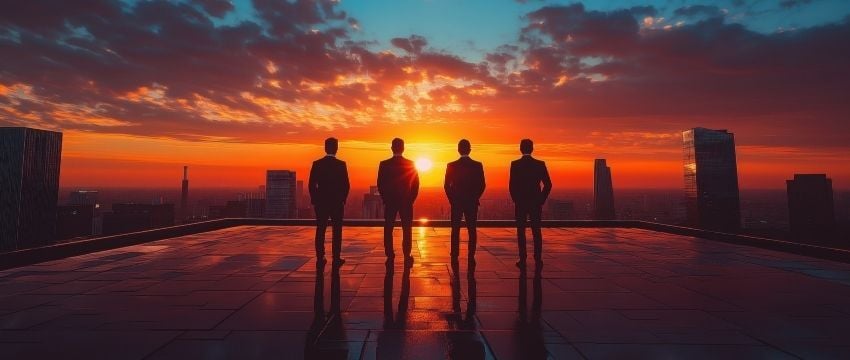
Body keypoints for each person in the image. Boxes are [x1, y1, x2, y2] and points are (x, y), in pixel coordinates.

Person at [509, 139, 551, 268]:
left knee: (521, 231)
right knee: (536, 231)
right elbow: (548, 184)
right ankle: (538, 259)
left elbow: (512, 186)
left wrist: (516, 200)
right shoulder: (540, 164)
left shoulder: (515, 164)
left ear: (521, 149)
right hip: (535, 203)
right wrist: (541, 200)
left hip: (521, 203)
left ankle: (523, 259)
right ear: (532, 149)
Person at [377, 138, 420, 266]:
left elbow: (380, 184)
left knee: (388, 227)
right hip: (406, 202)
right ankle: (407, 254)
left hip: (390, 202)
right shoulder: (410, 163)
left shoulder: (384, 164)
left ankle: (389, 254)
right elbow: (416, 185)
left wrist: (385, 199)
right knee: (407, 228)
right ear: (403, 148)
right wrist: (410, 200)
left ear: (392, 148)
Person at [308, 137, 350, 265]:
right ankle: (336, 258)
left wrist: (315, 200)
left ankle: (320, 258)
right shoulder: (341, 165)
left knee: (320, 230)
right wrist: (343, 200)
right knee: (337, 231)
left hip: (321, 203)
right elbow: (346, 185)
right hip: (337, 203)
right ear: (336, 148)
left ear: (325, 148)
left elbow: (311, 185)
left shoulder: (317, 164)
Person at [444, 139, 485, 263]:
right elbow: (482, 185)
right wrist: (475, 197)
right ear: (470, 149)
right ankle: (471, 255)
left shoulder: (451, 165)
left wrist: (452, 199)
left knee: (455, 229)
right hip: (471, 202)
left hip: (457, 202)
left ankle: (454, 254)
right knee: (472, 230)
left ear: (458, 150)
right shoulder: (477, 165)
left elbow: (446, 185)